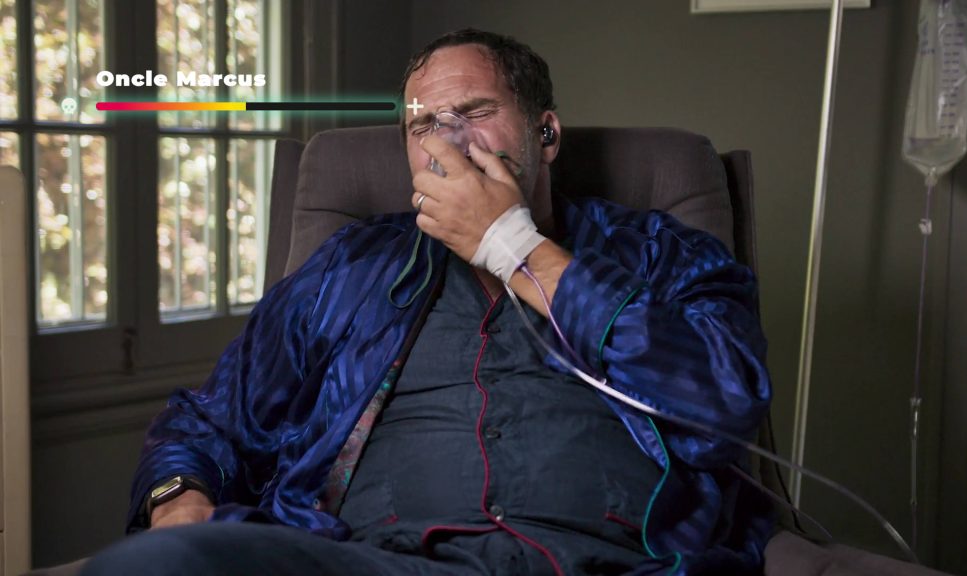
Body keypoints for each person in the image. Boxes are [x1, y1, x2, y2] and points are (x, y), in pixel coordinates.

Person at [79, 29, 774, 575]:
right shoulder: (351, 269)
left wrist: (518, 248)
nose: (446, 140)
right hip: (376, 562)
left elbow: (725, 407)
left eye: (474, 113)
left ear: (546, 134)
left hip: (605, 562)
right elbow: (205, 421)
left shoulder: (657, 253)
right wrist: (177, 501)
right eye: (422, 125)